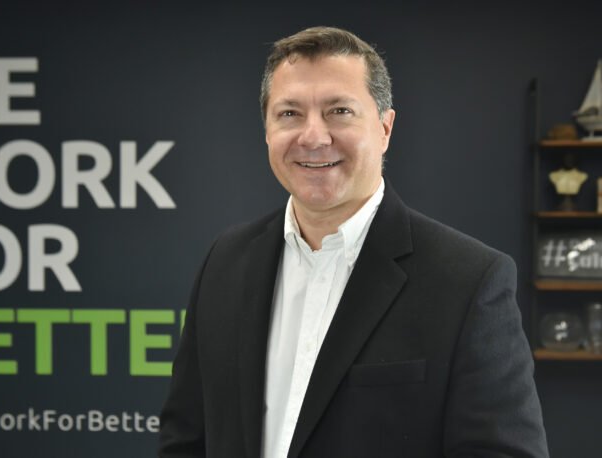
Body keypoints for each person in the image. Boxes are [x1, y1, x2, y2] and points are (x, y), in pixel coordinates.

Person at [159, 26, 548, 458]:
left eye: (339, 111)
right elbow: (185, 440)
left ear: (385, 128)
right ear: (267, 130)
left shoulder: (469, 281)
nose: (313, 136)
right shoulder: (225, 262)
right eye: (289, 113)